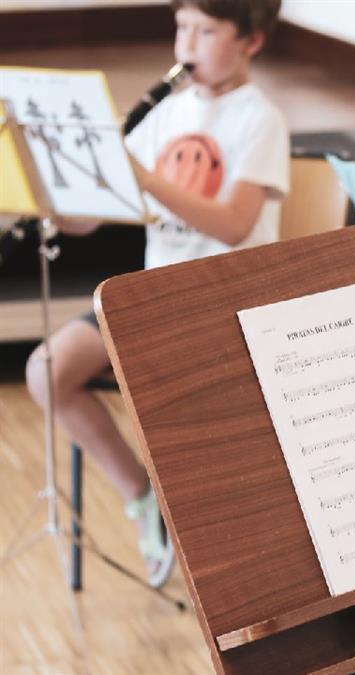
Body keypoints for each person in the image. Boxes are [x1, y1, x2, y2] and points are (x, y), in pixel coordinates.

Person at [24, 0, 290, 589]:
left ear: (250, 41)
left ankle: (226, 541)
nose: (186, 45)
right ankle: (142, 497)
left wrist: (146, 178)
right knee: (47, 371)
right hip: (148, 300)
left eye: (205, 31)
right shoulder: (166, 112)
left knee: (167, 405)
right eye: (181, 28)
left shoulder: (260, 119)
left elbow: (233, 224)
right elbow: (92, 219)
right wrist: (54, 185)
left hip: (223, 307)